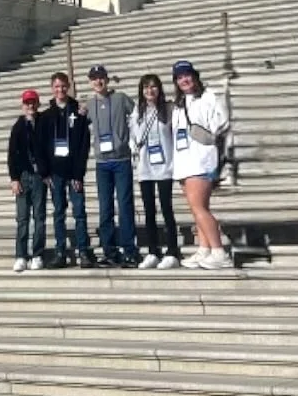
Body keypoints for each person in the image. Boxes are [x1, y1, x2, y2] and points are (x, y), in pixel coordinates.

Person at [171, 59, 233, 270]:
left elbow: (222, 121)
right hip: (184, 161)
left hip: (201, 159)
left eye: (187, 75)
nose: (184, 80)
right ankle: (204, 249)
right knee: (197, 209)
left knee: (200, 208)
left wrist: (210, 131)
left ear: (195, 76)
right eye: (179, 77)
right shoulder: (179, 104)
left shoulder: (209, 97)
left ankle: (219, 252)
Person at [38, 71, 95, 269]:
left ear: (68, 86)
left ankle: (83, 251)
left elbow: (83, 145)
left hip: (74, 173)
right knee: (59, 212)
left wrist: (79, 173)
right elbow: (40, 146)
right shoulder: (45, 116)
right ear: (51, 88)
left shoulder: (77, 112)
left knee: (79, 212)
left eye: (63, 86)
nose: (60, 90)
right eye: (56, 86)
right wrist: (44, 172)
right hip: (55, 173)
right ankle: (60, 251)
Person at [87, 64, 139, 267]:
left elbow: (138, 117)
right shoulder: (89, 105)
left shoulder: (121, 98)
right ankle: (109, 251)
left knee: (125, 205)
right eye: (94, 78)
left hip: (121, 160)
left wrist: (130, 142)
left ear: (107, 80)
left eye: (101, 78)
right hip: (102, 163)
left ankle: (129, 250)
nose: (98, 81)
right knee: (105, 208)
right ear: (90, 82)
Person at [129, 73, 180, 269]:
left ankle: (172, 251)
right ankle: (153, 251)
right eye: (146, 88)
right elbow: (133, 136)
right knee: (149, 210)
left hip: (165, 166)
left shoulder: (168, 109)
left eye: (153, 87)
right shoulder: (138, 112)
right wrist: (133, 145)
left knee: (167, 208)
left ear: (159, 89)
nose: (150, 91)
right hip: (146, 167)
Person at [7, 89, 47, 273]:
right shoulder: (18, 126)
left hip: (39, 176)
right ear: (23, 105)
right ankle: (21, 255)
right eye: (27, 103)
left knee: (39, 216)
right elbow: (12, 155)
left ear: (37, 104)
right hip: (23, 175)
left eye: (33, 103)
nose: (30, 106)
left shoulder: (43, 122)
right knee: (23, 218)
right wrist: (14, 179)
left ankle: (37, 254)